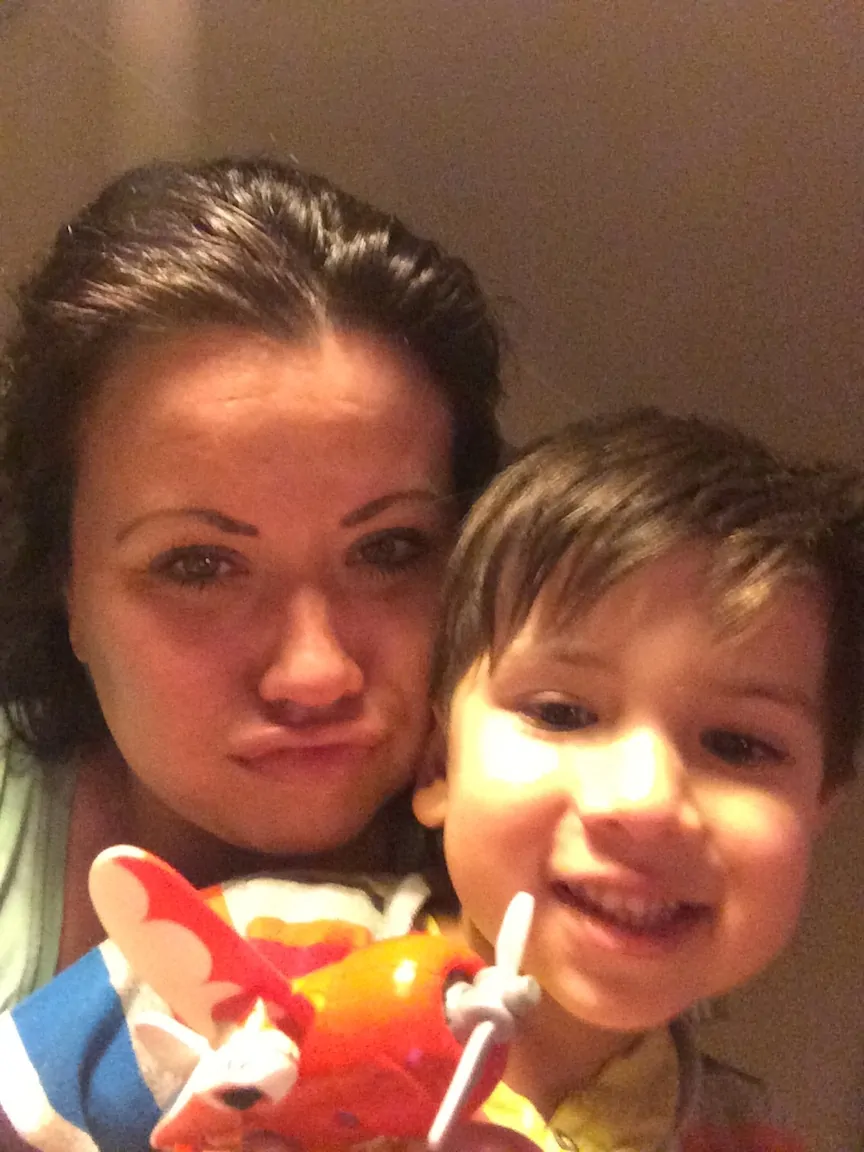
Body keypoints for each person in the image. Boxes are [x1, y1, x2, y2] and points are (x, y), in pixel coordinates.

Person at [0, 154, 502, 1147]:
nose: (316, 672)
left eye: (390, 550)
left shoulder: (550, 872)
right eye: (197, 565)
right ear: (66, 585)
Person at [409, 408, 864, 1151]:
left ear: (820, 807)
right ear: (438, 764)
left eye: (738, 746)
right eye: (561, 713)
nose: (644, 799)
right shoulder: (251, 982)